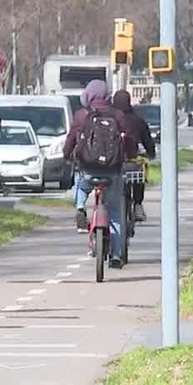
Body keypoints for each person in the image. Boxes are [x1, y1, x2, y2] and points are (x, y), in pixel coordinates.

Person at [63, 80, 132, 268]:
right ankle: (116, 256)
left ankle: (79, 207)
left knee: (80, 182)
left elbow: (71, 140)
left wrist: (67, 155)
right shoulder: (118, 115)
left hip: (88, 170)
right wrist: (130, 155)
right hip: (112, 171)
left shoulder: (81, 116)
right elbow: (129, 140)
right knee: (116, 214)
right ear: (107, 95)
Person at [111, 89, 157, 223]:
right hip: (131, 161)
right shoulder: (138, 120)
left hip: (112, 163)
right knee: (139, 174)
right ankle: (138, 204)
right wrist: (150, 153)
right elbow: (147, 140)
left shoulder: (109, 118)